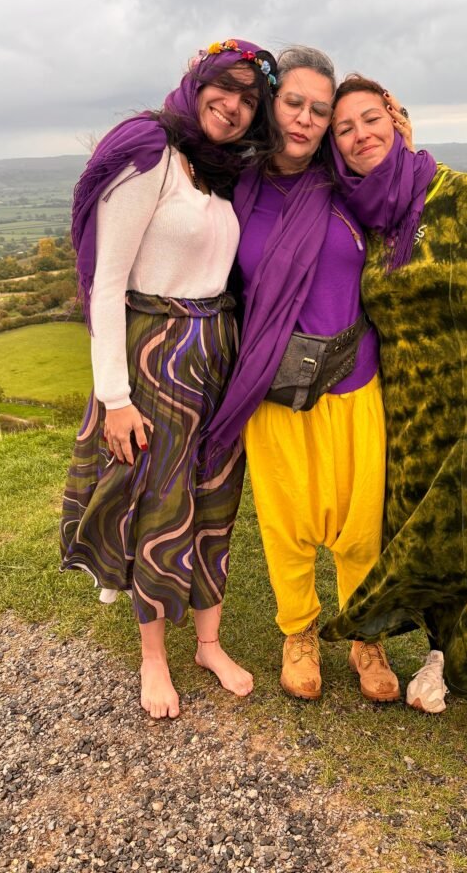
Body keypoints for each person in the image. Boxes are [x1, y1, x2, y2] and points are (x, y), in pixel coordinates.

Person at [321, 75, 467, 768]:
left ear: (395, 121)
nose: (360, 134)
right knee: (426, 537)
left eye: (370, 119)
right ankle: (439, 654)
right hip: (407, 418)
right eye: (344, 128)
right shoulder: (362, 220)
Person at [60, 38, 282, 720]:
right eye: (225, 87)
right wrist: (114, 398)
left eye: (250, 99)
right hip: (156, 351)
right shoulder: (149, 151)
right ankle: (154, 657)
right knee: (158, 501)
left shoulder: (218, 170)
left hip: (218, 350)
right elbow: (106, 284)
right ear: (196, 80)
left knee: (215, 494)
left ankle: (209, 644)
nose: (234, 105)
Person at [202, 47, 401, 703]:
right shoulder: (240, 187)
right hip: (275, 387)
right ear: (272, 104)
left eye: (320, 109)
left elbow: (399, 189)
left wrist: (397, 128)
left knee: (359, 524)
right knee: (286, 523)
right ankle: (299, 634)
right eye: (294, 103)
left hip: (354, 379)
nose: (306, 119)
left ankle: (365, 637)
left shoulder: (347, 184)